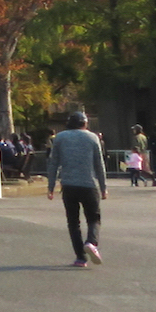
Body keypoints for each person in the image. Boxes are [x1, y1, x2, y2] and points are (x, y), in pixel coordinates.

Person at [46, 110, 108, 268]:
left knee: (73, 223)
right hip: (89, 184)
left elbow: (53, 163)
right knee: (94, 219)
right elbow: (99, 165)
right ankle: (91, 242)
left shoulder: (60, 138)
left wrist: (51, 187)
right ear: (85, 123)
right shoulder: (93, 137)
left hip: (68, 185)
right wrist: (103, 187)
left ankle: (80, 258)